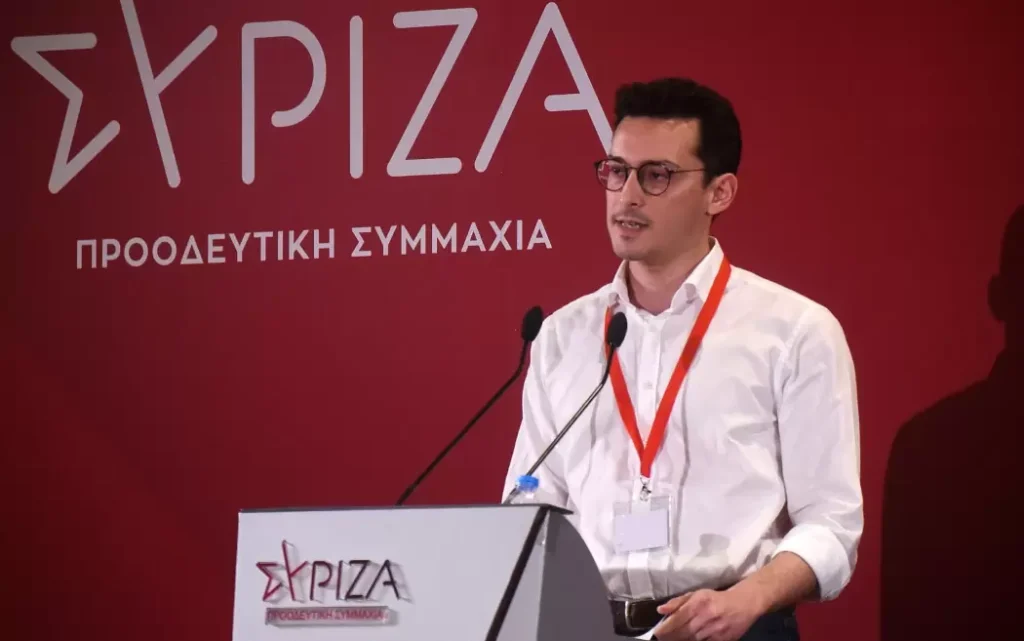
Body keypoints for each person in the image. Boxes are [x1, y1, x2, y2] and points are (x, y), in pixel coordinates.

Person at [502, 77, 863, 641]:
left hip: (731, 628)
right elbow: (533, 502)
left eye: (657, 176)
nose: (627, 196)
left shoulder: (794, 331)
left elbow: (832, 526)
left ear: (720, 193)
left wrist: (747, 600)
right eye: (617, 171)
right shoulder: (562, 336)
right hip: (587, 626)